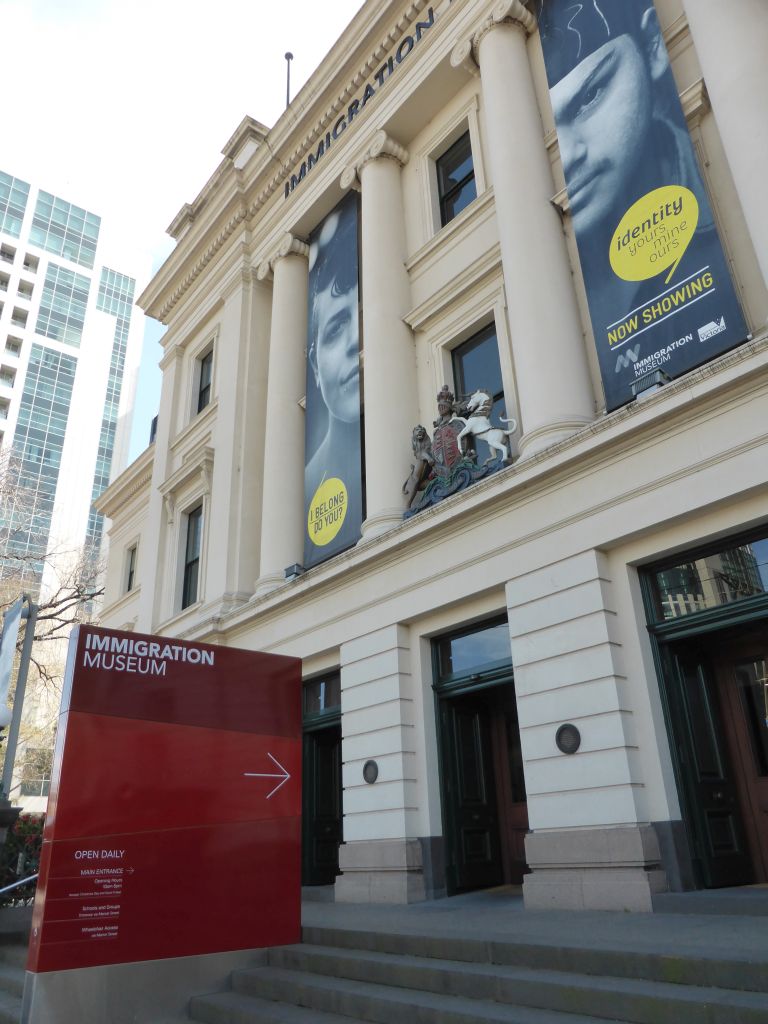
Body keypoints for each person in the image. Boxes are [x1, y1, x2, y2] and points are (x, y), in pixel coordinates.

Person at [304, 194, 363, 559]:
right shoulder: (305, 489)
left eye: (365, 312)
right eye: (338, 324)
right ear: (314, 366)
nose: (357, 337)